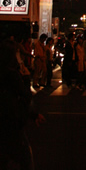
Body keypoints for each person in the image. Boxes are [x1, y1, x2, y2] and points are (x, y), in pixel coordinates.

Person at [0, 39, 46, 170]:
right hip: (11, 125)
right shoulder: (12, 75)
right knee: (25, 159)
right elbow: (25, 96)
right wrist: (26, 78)